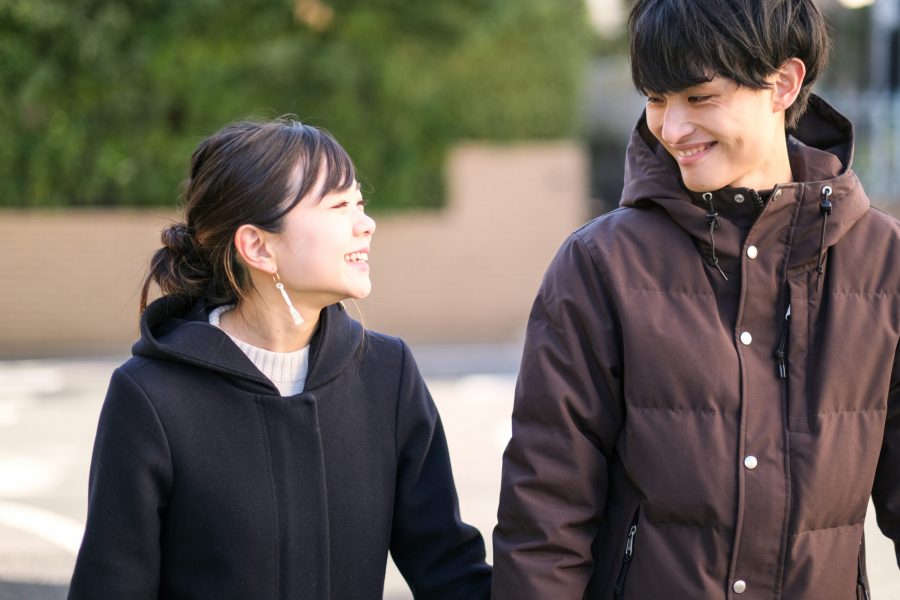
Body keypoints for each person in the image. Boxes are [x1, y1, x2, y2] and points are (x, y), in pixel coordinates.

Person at [493, 0, 900, 598]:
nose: (671, 128)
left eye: (699, 97)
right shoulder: (600, 266)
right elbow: (546, 516)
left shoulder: (884, 264)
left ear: (784, 83)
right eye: (656, 100)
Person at [67, 119, 491, 599]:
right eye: (337, 206)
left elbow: (450, 572)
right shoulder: (152, 396)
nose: (364, 222)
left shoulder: (386, 375)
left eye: (359, 202)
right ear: (258, 246)